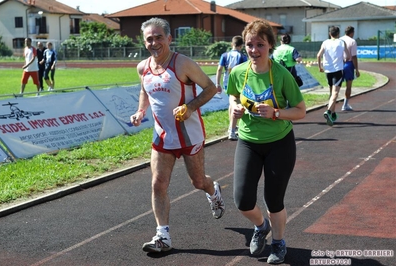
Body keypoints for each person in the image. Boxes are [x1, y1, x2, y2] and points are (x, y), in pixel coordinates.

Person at [130, 17, 225, 253]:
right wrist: (141, 110)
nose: (154, 43)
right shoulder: (143, 67)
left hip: (189, 134)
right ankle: (163, 236)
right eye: (149, 39)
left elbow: (211, 88)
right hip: (162, 136)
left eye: (158, 37)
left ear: (169, 39)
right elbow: (144, 90)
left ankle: (213, 192)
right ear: (144, 42)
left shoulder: (182, 64)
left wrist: (190, 107)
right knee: (157, 184)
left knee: (198, 182)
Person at [226, 19, 306, 264]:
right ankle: (261, 227)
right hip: (248, 141)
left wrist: (277, 113)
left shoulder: (281, 75)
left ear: (270, 45)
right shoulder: (239, 72)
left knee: (274, 200)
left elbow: (301, 110)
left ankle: (279, 243)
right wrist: (236, 108)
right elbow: (232, 96)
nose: (253, 50)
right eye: (250, 45)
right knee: (242, 201)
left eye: (260, 45)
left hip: (279, 142)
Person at [317, 26, 351, 126]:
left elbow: (319, 55)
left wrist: (320, 67)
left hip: (327, 70)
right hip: (337, 70)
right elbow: (348, 56)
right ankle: (328, 111)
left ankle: (332, 113)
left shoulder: (325, 42)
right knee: (335, 93)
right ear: (338, 33)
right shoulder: (341, 42)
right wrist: (344, 59)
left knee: (331, 93)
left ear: (329, 33)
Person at [216, 35, 248, 140]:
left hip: (226, 81)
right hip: (238, 82)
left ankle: (231, 126)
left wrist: (217, 83)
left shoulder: (225, 55)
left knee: (231, 103)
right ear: (241, 45)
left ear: (232, 44)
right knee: (236, 104)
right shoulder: (242, 56)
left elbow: (219, 69)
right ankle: (232, 130)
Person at [340, 26, 360, 111]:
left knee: (335, 86)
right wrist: (357, 69)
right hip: (348, 64)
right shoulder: (352, 41)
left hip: (339, 64)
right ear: (352, 33)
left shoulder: (339, 40)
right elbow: (354, 56)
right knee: (348, 86)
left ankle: (331, 105)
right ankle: (345, 105)